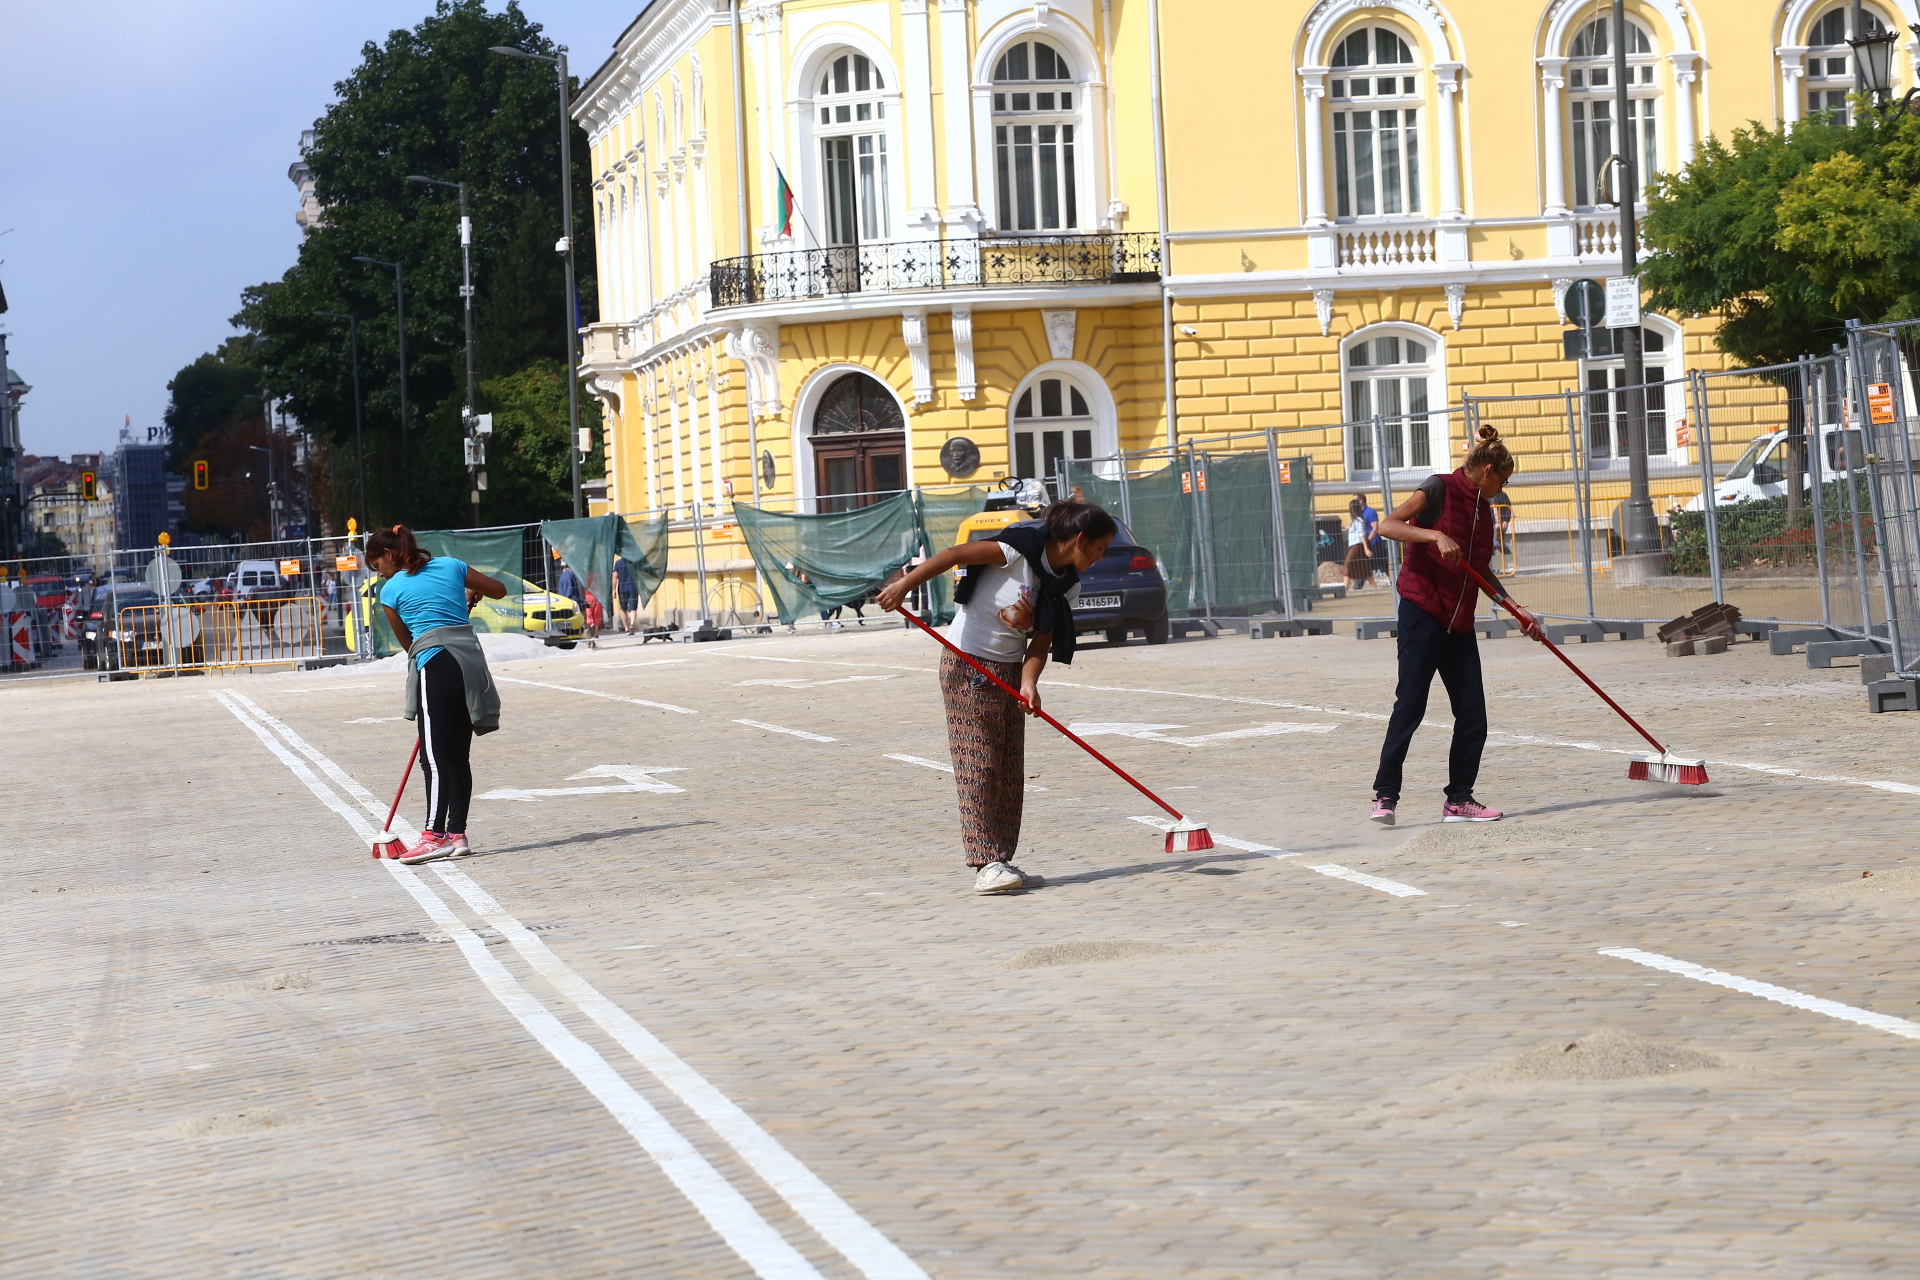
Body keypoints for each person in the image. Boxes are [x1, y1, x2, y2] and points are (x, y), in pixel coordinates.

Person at [876, 500, 1116, 894]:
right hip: (967, 663)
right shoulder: (1015, 551)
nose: (1101, 557)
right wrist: (905, 585)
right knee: (979, 762)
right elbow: (953, 555)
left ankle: (1001, 859)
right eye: (1100, 547)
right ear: (1078, 539)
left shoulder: (1066, 584)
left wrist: (1030, 683)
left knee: (1008, 769)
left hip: (1006, 672)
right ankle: (984, 862)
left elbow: (1040, 644)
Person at [1368, 428, 1542, 828]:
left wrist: (1517, 609)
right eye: (1504, 479)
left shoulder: (1484, 510)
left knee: (1473, 714)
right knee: (1410, 705)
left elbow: (1479, 570)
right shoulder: (1439, 488)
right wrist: (1434, 534)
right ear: (1486, 470)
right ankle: (1386, 796)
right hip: (1423, 612)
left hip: (1459, 623)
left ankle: (1458, 801)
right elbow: (1388, 526)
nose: (1504, 487)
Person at [366, 525, 508, 864]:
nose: (378, 573)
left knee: (433, 756)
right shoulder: (452, 566)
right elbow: (499, 590)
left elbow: (410, 646)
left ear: (388, 555)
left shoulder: (391, 590)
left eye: (377, 566)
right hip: (470, 664)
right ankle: (457, 834)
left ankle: (434, 836)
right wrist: (467, 594)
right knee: (457, 754)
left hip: (436, 664)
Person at [1345, 494, 1379, 590]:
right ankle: (1374, 586)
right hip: (1354, 545)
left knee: (1347, 565)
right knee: (1362, 567)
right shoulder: (1355, 520)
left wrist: (1366, 547)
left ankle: (1345, 588)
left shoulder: (1362, 518)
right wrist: (1346, 527)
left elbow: (1362, 534)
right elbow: (1355, 530)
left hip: (1360, 545)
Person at [613, 554, 639, 633]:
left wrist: (613, 590)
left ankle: (626, 629)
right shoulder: (633, 562)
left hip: (622, 588)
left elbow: (615, 576)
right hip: (633, 587)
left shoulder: (618, 563)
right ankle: (632, 625)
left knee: (623, 609)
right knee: (633, 608)